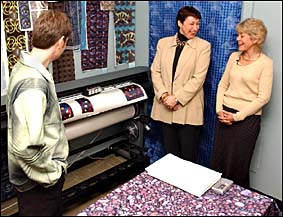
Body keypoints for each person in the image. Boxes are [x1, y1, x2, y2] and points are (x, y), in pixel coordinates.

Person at [6, 10, 72, 216]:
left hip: (35, 180)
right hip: (38, 183)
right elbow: (24, 148)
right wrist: (53, 173)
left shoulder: (23, 66)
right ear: (61, 42)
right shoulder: (33, 84)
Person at [210, 18, 273, 188]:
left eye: (242, 35)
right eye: (238, 35)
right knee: (218, 162)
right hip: (224, 115)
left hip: (246, 120)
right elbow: (222, 84)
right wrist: (219, 110)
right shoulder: (233, 57)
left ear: (255, 38)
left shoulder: (266, 63)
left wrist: (236, 117)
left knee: (237, 166)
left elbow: (263, 97)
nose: (237, 39)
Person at [150, 6, 211, 163]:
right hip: (165, 109)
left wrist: (175, 99)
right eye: (191, 24)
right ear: (179, 23)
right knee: (170, 157)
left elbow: (198, 78)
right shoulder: (163, 44)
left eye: (198, 24)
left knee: (188, 159)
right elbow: (155, 72)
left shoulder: (203, 47)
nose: (195, 28)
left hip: (188, 110)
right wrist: (164, 96)